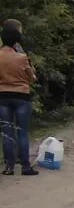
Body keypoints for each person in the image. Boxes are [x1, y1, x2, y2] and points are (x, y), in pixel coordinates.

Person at [0, 20, 38, 176]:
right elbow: (32, 78)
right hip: (21, 96)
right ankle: (25, 167)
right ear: (16, 40)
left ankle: (9, 167)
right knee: (22, 132)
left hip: (2, 96)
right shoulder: (22, 57)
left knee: (7, 133)